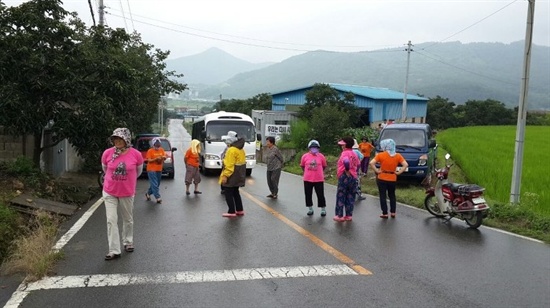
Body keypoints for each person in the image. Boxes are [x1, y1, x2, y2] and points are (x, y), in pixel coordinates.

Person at [101, 127, 144, 260]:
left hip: (127, 192)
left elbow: (138, 172)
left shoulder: (136, 154)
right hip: (109, 191)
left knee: (128, 219)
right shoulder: (107, 153)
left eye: (120, 139)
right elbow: (105, 168)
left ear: (126, 139)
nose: (117, 141)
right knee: (111, 220)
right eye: (115, 139)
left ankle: (128, 241)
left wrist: (127, 182)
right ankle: (114, 250)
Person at [369, 138, 409, 219]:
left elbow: (371, 163)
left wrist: (377, 171)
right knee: (392, 195)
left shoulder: (380, 155)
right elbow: (405, 165)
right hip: (392, 178)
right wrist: (399, 172)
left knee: (383, 195)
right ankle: (393, 212)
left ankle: (385, 213)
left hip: (382, 177)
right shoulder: (398, 155)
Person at [219, 131, 247, 217]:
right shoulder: (241, 149)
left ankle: (231, 211)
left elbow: (229, 165)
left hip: (232, 174)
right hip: (239, 174)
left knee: (228, 192)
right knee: (236, 192)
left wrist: (225, 176)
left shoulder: (231, 150)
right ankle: (239, 210)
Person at [334, 136, 360, 222]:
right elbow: (358, 163)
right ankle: (349, 215)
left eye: (342, 145)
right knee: (350, 195)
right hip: (353, 177)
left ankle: (339, 215)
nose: (342, 146)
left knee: (341, 194)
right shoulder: (354, 153)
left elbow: (346, 161)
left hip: (344, 175)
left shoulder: (345, 153)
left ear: (345, 145)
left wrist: (347, 169)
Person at [300, 140, 327, 216]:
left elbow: (324, 166)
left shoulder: (321, 156)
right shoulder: (305, 156)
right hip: (308, 179)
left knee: (320, 194)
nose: (314, 149)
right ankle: (310, 208)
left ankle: (323, 209)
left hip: (318, 179)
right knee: (308, 194)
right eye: (312, 147)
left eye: (316, 147)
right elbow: (302, 165)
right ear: (309, 148)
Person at [145, 137, 166, 204]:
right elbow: (149, 160)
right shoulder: (150, 151)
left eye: (158, 144)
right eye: (156, 144)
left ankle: (148, 193)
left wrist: (163, 157)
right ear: (153, 144)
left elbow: (165, 157)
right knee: (154, 183)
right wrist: (156, 158)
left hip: (159, 169)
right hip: (151, 169)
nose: (157, 146)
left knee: (157, 183)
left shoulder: (162, 150)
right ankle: (158, 197)